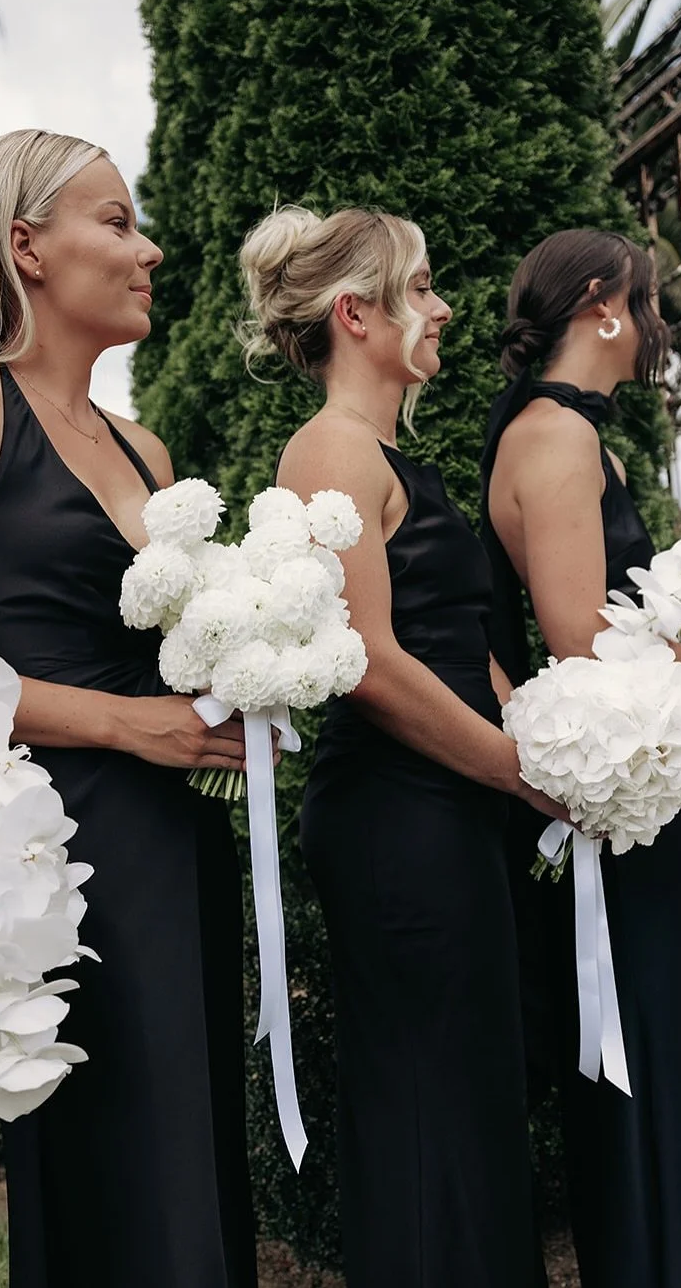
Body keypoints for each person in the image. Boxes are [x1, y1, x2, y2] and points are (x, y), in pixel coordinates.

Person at [0, 128, 257, 1287]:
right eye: (119, 222)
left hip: (179, 841)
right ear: (25, 245)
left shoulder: (147, 449)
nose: (151, 248)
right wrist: (128, 723)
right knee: (118, 1182)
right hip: (55, 859)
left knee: (193, 1158)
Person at [247, 203, 558, 1287]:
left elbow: (458, 648)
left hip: (450, 810)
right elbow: (371, 666)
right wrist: (518, 772)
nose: (441, 307)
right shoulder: (328, 452)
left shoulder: (389, 453)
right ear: (356, 314)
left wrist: (564, 745)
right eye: (420, 287)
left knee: (472, 1093)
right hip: (396, 819)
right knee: (427, 1099)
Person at [482, 227, 681, 1288]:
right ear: (600, 303)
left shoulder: (569, 433)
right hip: (614, 796)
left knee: (675, 1034)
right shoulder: (551, 437)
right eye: (649, 304)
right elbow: (582, 638)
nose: (659, 328)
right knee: (658, 1040)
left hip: (635, 782)